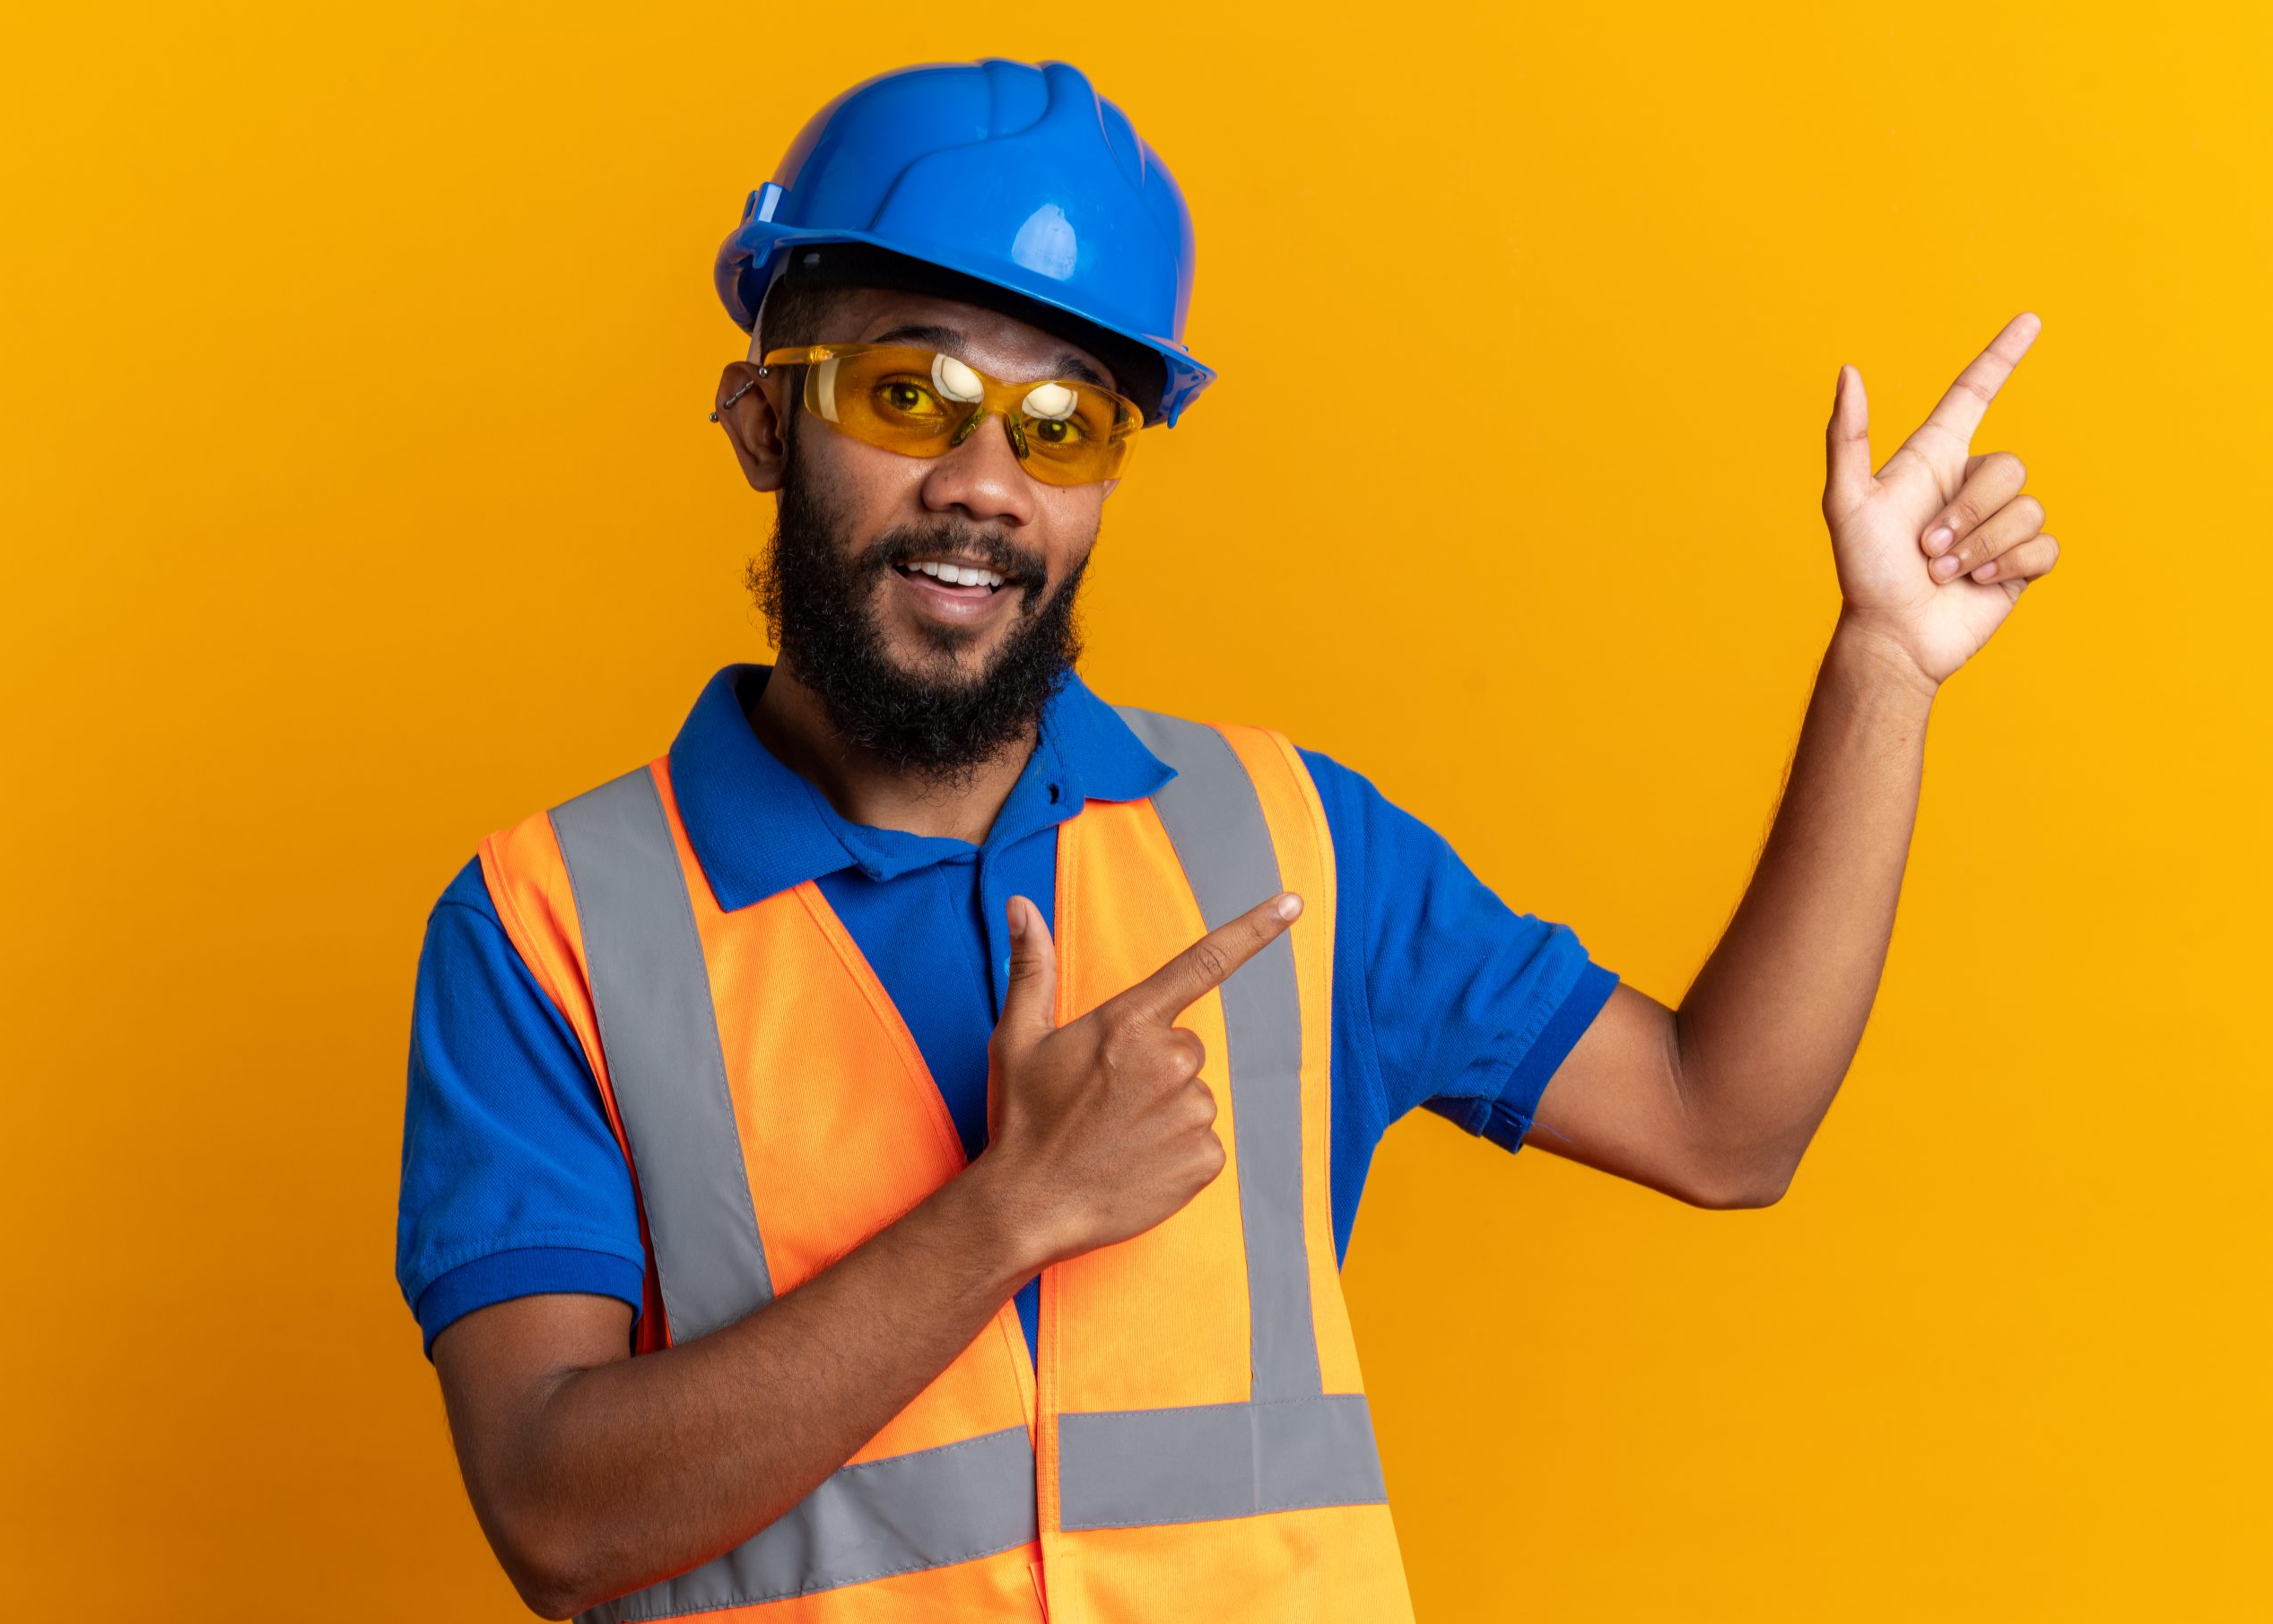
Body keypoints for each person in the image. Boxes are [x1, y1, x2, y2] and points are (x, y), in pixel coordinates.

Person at [395, 56, 2060, 1624]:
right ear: (767, 423)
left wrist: (1884, 666)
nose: (986, 481)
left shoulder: (1292, 843)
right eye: (912, 394)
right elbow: (559, 1515)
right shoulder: (554, 923)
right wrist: (1009, 1213)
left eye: (1063, 425)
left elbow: (1725, 1125)